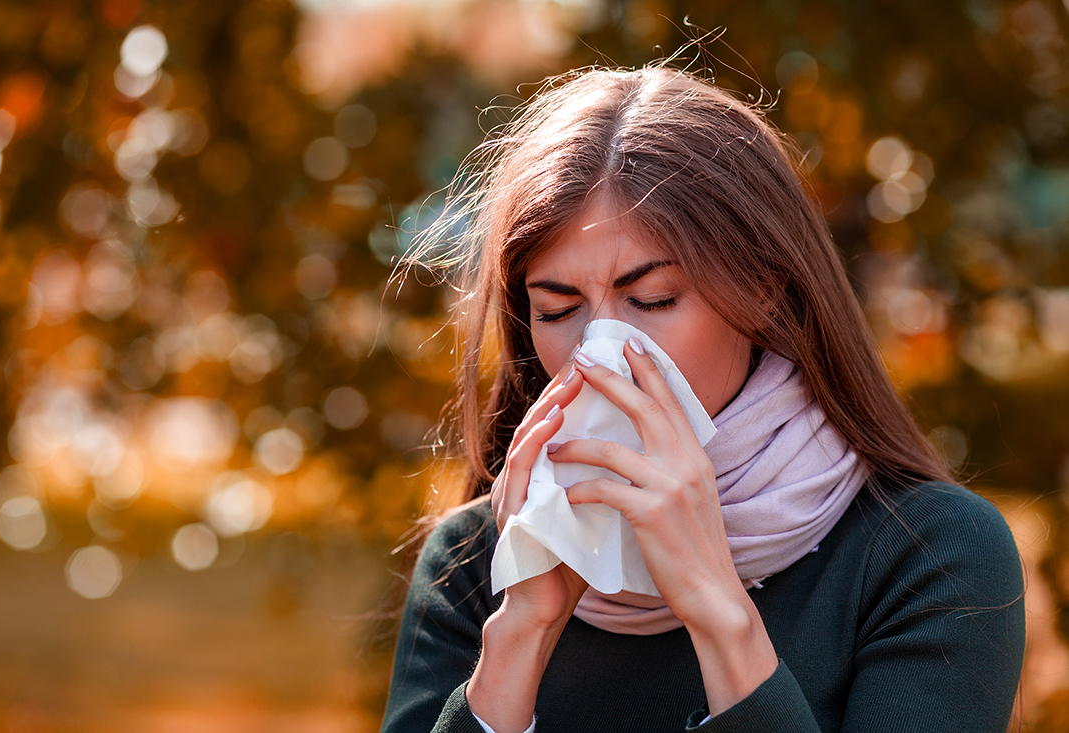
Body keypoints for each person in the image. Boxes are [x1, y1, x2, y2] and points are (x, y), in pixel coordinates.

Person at [380, 64, 1025, 733]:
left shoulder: (930, 552)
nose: (601, 352)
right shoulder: (476, 561)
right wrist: (520, 635)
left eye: (653, 298)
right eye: (557, 307)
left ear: (764, 289)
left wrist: (719, 613)